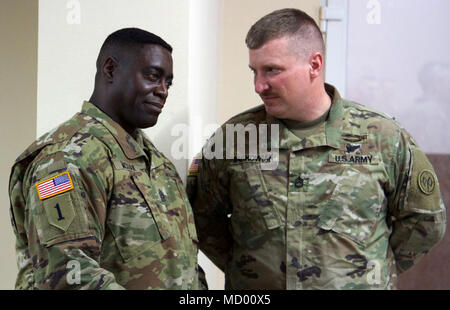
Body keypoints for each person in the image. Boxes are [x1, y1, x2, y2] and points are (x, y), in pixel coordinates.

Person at [187, 8, 446, 289]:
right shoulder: (234, 139)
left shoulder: (383, 137)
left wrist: (369, 269)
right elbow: (200, 219)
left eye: (272, 70)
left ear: (314, 64)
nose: (259, 85)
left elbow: (425, 222)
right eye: (255, 71)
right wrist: (249, 269)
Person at [9, 28, 204, 290]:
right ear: (110, 69)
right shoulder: (67, 156)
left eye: (168, 82)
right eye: (152, 76)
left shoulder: (159, 164)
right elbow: (70, 275)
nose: (163, 91)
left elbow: (186, 265)